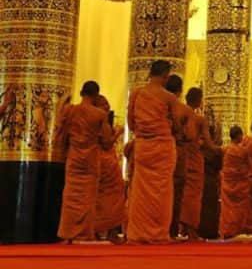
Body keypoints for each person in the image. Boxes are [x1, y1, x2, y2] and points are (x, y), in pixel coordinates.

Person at [55, 81, 115, 242]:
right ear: (96, 95)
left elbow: (60, 130)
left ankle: (68, 233)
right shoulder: (99, 115)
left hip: (74, 158)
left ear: (82, 93)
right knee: (87, 199)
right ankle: (83, 234)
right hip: (90, 160)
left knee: (70, 198)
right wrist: (119, 133)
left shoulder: (70, 110)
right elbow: (107, 142)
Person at [126, 59, 179, 244]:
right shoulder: (169, 97)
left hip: (143, 147)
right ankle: (158, 233)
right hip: (163, 147)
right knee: (162, 191)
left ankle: (138, 233)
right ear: (165, 76)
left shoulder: (136, 93)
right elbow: (177, 126)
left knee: (140, 190)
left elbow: (131, 124)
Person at [177, 87, 216, 240]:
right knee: (193, 196)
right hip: (194, 158)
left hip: (181, 156)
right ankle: (191, 230)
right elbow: (208, 143)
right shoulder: (199, 120)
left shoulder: (178, 114)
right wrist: (221, 150)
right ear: (200, 100)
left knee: (183, 193)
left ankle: (181, 229)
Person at [92, 95, 125, 240]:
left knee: (108, 197)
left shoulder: (92, 120)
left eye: (107, 104)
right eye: (103, 104)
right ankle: (104, 231)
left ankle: (106, 231)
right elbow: (106, 143)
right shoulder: (100, 121)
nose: (107, 107)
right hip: (104, 161)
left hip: (100, 161)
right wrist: (118, 132)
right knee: (108, 198)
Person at [165, 74, 189, 238]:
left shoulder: (156, 104)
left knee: (159, 191)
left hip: (158, 152)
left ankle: (156, 227)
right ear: (180, 91)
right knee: (175, 193)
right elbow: (189, 134)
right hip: (176, 153)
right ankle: (171, 230)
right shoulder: (183, 109)